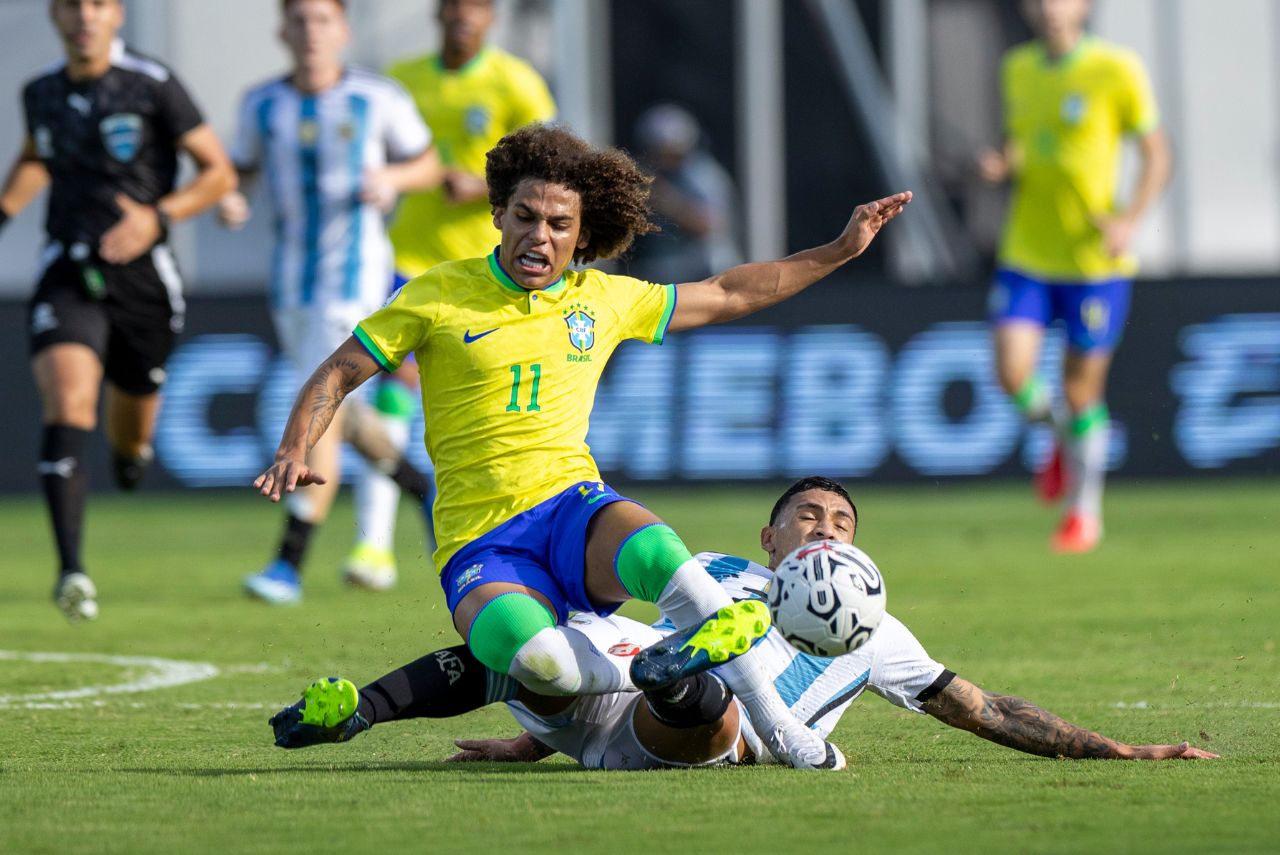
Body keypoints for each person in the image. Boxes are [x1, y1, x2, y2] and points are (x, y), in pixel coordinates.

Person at [253, 122, 912, 770]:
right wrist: (293, 447)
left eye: (558, 224)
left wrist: (839, 250)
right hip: (481, 542)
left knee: (661, 552)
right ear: (499, 215)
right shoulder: (436, 294)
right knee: (542, 664)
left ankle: (782, 729)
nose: (539, 235)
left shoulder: (600, 299)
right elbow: (340, 368)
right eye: (526, 216)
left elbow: (728, 291)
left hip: (572, 508)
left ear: (581, 234)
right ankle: (657, 662)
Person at [267, 476, 1217, 768]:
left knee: (708, 704)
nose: (825, 528)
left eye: (842, 522)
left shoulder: (879, 636)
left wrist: (1124, 752)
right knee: (540, 655)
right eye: (808, 516)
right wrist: (523, 750)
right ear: (771, 536)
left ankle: (685, 675)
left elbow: (986, 707)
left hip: (696, 731)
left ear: (859, 555)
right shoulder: (712, 571)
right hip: (618, 689)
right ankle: (364, 707)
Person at [0, 0, 235, 622]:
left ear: (117, 15)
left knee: (131, 436)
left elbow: (217, 172)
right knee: (69, 402)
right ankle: (72, 569)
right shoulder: (41, 92)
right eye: (72, 6)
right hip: (68, 271)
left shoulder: (152, 85)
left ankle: (131, 460)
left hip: (143, 284)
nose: (84, 16)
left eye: (97, 5)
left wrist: (157, 217)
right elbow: (35, 155)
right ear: (55, 16)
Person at [218, 0, 444, 604]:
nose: (311, 32)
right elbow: (239, 170)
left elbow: (428, 162)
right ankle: (422, 488)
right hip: (291, 280)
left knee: (323, 400)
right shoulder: (261, 103)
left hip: (355, 278)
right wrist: (234, 199)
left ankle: (288, 561)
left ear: (341, 30)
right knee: (342, 417)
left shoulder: (377, 97)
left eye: (322, 21)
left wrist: (394, 179)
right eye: (300, 21)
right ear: (283, 32)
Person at [339, 0, 558, 591]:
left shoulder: (515, 82)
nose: (465, 17)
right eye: (456, 8)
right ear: (440, 14)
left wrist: (485, 185)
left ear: (490, 18)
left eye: (477, 9)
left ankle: (456, 515)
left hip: (483, 268)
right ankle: (374, 544)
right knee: (394, 383)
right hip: (402, 261)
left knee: (449, 403)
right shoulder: (403, 81)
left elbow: (552, 165)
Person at [978, 0, 1172, 553]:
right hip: (1027, 255)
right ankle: (1062, 439)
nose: (1050, 9)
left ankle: (1084, 514)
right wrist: (1003, 163)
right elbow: (1026, 141)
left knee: (1081, 391)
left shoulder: (1116, 69)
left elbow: (1157, 151)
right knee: (1014, 375)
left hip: (1093, 264)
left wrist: (1130, 219)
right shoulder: (1017, 68)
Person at [628, 103, 743, 284]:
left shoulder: (702, 174)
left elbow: (712, 225)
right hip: (662, 271)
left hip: (706, 273)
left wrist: (667, 202)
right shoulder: (647, 172)